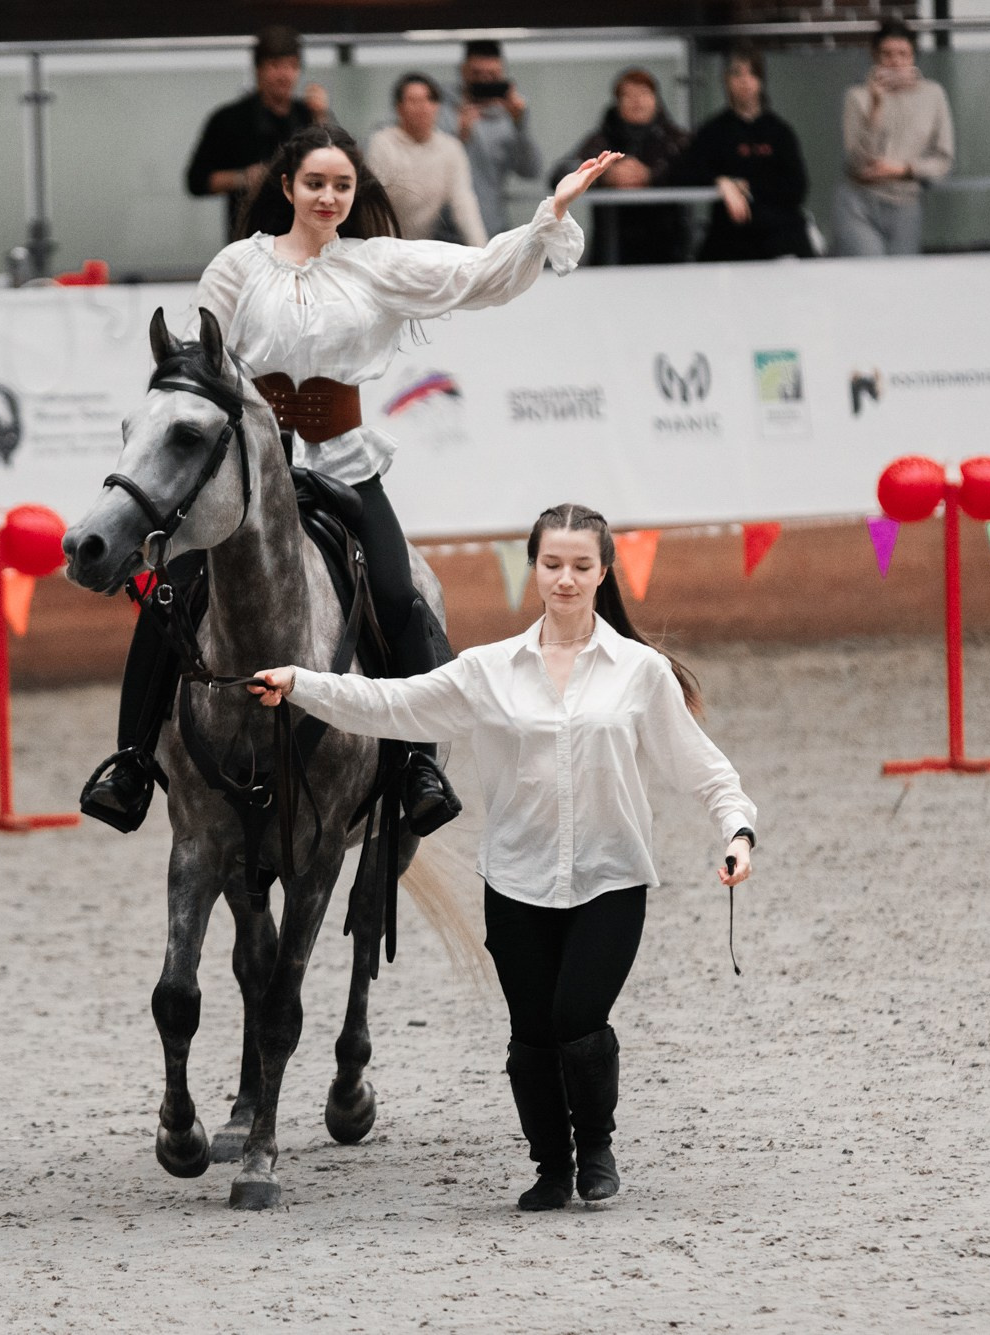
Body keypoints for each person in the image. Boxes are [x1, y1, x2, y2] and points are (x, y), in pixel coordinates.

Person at [79, 122, 621, 842]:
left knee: (400, 596)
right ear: (287, 188)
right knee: (170, 594)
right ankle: (130, 763)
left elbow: (479, 274)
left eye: (341, 185)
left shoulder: (378, 264)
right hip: (253, 474)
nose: (328, 197)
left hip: (343, 462)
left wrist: (549, 213)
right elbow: (202, 364)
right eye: (315, 183)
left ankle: (419, 766)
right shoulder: (238, 266)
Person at [248, 503, 758, 1211]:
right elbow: (391, 704)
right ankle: (551, 1166)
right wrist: (301, 683)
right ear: (535, 569)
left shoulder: (640, 672)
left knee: (578, 1017)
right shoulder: (488, 670)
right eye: (552, 564)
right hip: (517, 880)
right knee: (531, 1034)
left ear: (603, 572)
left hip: (611, 877)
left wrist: (738, 831)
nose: (565, 578)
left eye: (581, 565)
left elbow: (702, 768)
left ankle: (596, 1147)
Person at [185, 25, 332, 243]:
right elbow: (196, 181)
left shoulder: (308, 115)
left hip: (306, 238)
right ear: (258, 69)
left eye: (292, 66)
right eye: (275, 66)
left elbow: (339, 166)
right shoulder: (229, 119)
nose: (284, 75)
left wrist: (322, 117)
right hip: (250, 239)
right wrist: (243, 178)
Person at [675, 45, 815, 262]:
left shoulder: (779, 132)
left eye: (752, 73)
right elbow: (686, 172)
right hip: (731, 239)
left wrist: (747, 187)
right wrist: (721, 182)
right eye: (737, 73)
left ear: (761, 80)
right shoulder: (714, 131)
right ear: (726, 80)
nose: (745, 81)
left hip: (781, 238)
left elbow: (797, 187)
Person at [833, 20, 954, 257]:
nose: (896, 62)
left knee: (902, 276)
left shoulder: (932, 95)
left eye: (903, 54)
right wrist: (876, 107)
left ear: (913, 56)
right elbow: (856, 163)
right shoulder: (857, 96)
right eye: (887, 55)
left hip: (906, 202)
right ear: (875, 56)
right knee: (869, 272)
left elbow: (943, 161)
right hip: (859, 202)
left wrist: (904, 169)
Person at [555, 67, 693, 265]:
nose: (637, 101)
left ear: (656, 99)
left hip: (669, 250)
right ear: (617, 102)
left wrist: (651, 176)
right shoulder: (601, 140)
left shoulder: (677, 141)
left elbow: (698, 171)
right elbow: (561, 175)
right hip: (612, 251)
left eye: (644, 93)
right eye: (628, 95)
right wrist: (602, 175)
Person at [366, 72, 487, 246]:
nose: (422, 107)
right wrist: (387, 249)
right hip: (384, 242)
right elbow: (376, 205)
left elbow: (464, 204)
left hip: (424, 246)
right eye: (413, 101)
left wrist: (482, 251)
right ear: (399, 108)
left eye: (429, 100)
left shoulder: (450, 148)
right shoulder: (382, 143)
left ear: (437, 106)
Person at [441, 40, 542, 236]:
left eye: (493, 75)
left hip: (493, 228)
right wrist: (459, 137)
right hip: (446, 231)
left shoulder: (509, 115)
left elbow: (531, 171)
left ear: (502, 74)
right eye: (477, 74)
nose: (485, 81)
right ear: (463, 71)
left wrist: (520, 125)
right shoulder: (441, 110)